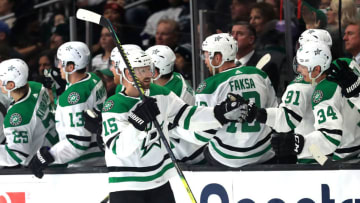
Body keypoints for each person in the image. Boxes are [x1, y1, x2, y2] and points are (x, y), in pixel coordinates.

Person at [102, 47, 246, 202]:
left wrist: (219, 113)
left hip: (159, 181)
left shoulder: (161, 94)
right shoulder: (114, 105)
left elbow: (188, 115)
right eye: (141, 71)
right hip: (127, 185)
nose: (148, 75)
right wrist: (138, 122)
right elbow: (119, 148)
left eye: (148, 69)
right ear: (128, 74)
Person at [244, 42, 360, 163]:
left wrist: (298, 144)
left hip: (345, 158)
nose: (298, 69)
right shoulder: (346, 64)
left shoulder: (322, 92)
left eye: (303, 66)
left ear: (317, 69)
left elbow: (329, 137)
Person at [195, 33, 278, 168]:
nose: (205, 61)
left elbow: (201, 133)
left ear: (217, 57)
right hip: (264, 152)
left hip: (227, 158)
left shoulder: (208, 86)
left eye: (206, 55)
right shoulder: (259, 74)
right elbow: (275, 113)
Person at [29, 41, 107, 178]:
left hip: (85, 166)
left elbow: (78, 143)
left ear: (71, 67)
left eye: (61, 63)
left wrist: (49, 156)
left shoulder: (72, 98)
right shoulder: (94, 78)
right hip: (102, 156)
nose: (58, 66)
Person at [145, 45, 204, 164]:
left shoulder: (170, 95)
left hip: (186, 155)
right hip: (190, 149)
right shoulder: (175, 78)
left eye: (145, 67)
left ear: (155, 72)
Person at [0, 58, 58, 167]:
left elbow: (16, 156)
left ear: (11, 85)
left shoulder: (16, 118)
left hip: (42, 163)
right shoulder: (36, 86)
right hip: (53, 144)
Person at [231, 21, 280, 94]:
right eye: (232, 34)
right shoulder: (224, 64)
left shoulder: (266, 66)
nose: (234, 38)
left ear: (251, 39)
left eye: (239, 34)